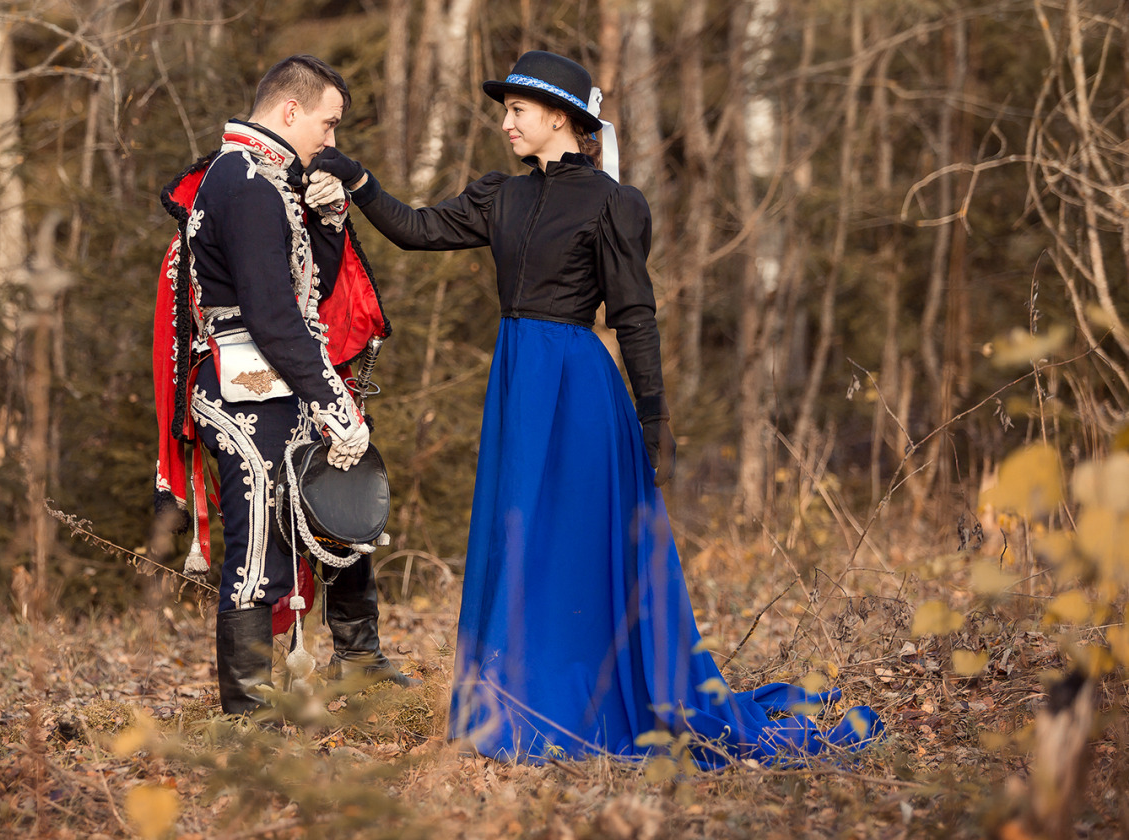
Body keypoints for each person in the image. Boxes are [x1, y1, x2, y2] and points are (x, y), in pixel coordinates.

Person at [306, 50, 881, 764]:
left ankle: (578, 703)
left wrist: (655, 416)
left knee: (575, 543)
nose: (506, 123)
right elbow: (416, 229)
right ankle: (508, 705)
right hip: (519, 383)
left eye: (517, 110)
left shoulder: (612, 202)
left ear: (558, 117)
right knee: (518, 533)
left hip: (579, 390)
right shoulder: (501, 198)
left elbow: (635, 314)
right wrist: (358, 180)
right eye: (505, 111)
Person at [151, 54, 418, 716]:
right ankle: (249, 720)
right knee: (256, 549)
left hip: (281, 388)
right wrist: (334, 404)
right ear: (290, 111)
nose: (331, 142)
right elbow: (271, 315)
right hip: (243, 391)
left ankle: (358, 664)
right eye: (327, 125)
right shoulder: (242, 180)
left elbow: (309, 292)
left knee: (333, 518)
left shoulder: (266, 178)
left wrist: (328, 224)